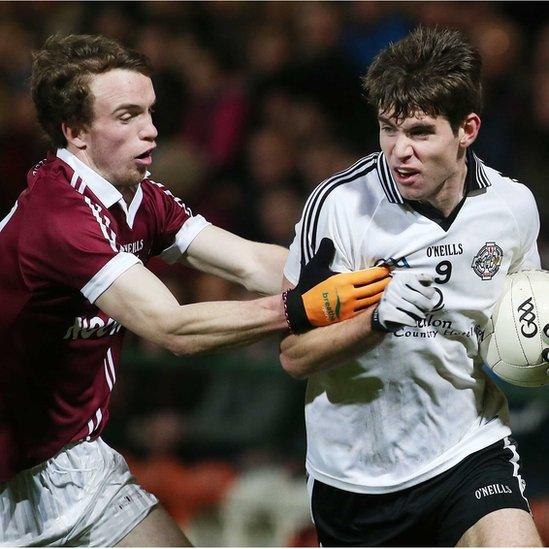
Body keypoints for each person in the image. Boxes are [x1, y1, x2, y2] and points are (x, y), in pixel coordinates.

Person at [0, 34, 392, 547]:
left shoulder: (141, 198)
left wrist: (376, 276)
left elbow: (252, 263)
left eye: (150, 112)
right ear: (75, 132)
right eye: (127, 116)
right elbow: (173, 328)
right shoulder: (59, 218)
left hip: (71, 464)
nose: (152, 131)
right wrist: (300, 309)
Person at [280, 26, 544, 547]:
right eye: (387, 129)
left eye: (420, 132)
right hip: (356, 478)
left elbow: (525, 321)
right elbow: (293, 355)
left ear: (467, 129)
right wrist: (374, 322)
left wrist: (534, 351)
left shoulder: (513, 207)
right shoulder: (339, 206)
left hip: (468, 450)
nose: (400, 151)